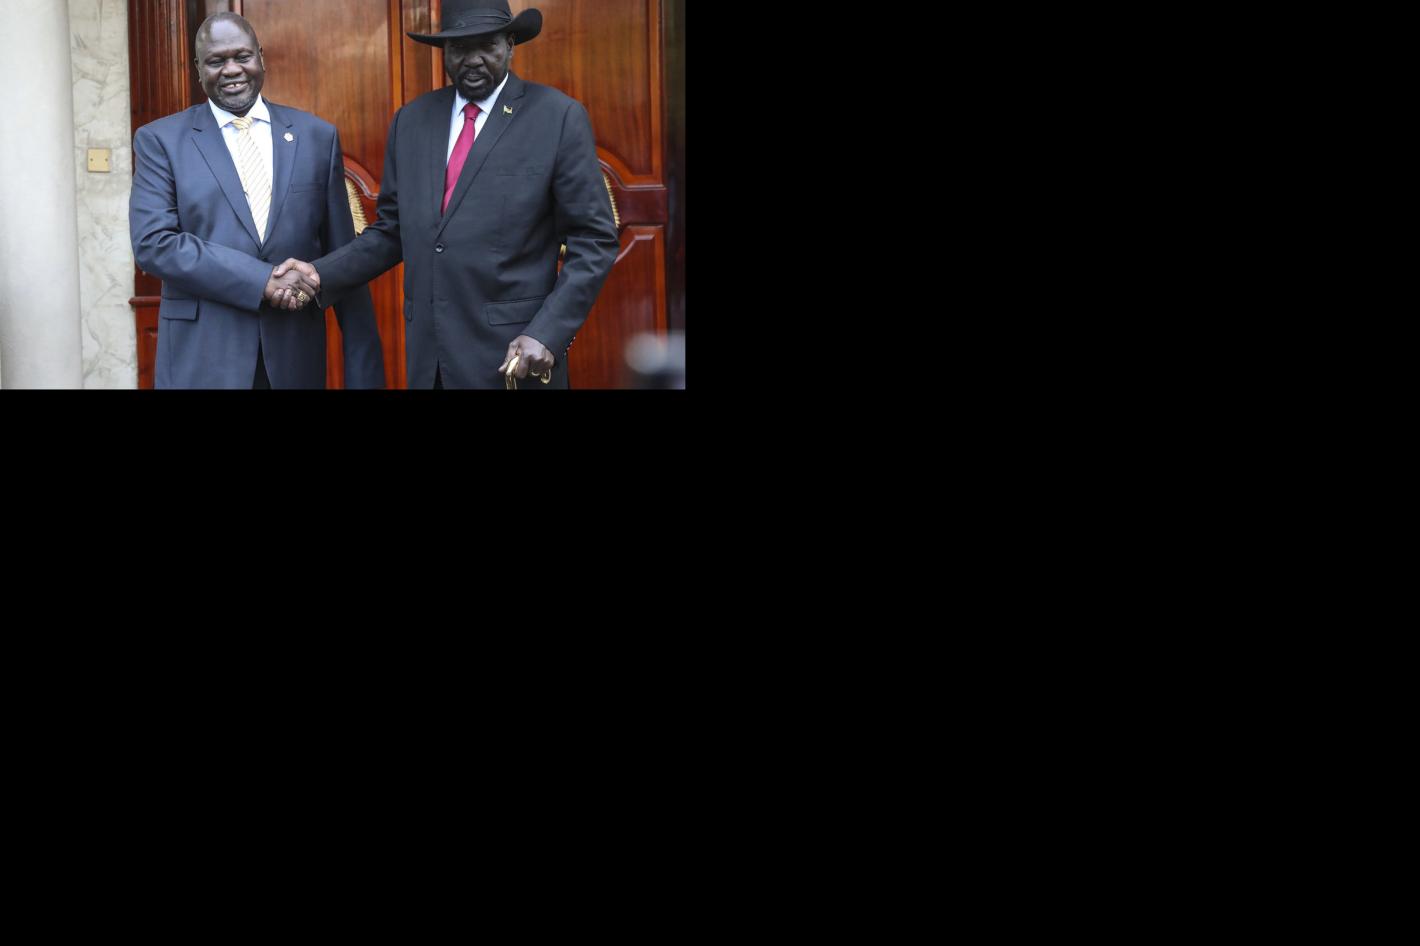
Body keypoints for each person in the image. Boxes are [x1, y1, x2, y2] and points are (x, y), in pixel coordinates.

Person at [275, 0, 618, 389]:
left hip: (514, 359)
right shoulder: (412, 120)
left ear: (510, 44)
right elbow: (393, 231)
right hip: (432, 362)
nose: (472, 59)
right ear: (444, 51)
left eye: (486, 45)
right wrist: (319, 273)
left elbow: (594, 240)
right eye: (459, 48)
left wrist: (548, 333)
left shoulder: (557, 117)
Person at [130, 13, 385, 389]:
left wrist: (364, 376)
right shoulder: (160, 141)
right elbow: (154, 244)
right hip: (202, 359)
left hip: (294, 357)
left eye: (242, 56)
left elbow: (343, 257)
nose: (232, 69)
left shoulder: (317, 137)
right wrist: (260, 279)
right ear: (198, 69)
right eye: (216, 61)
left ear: (261, 57)